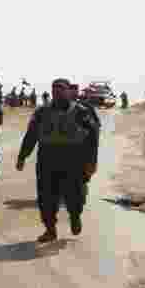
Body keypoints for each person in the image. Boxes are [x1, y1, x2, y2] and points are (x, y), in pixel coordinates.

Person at [16, 78, 99, 242]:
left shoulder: (81, 112)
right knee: (46, 198)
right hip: (47, 160)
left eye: (61, 89)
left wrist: (91, 162)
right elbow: (31, 135)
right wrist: (22, 156)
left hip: (73, 160)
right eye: (54, 89)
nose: (57, 92)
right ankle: (50, 229)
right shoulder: (41, 112)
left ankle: (75, 216)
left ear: (68, 91)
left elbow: (92, 138)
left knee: (75, 196)